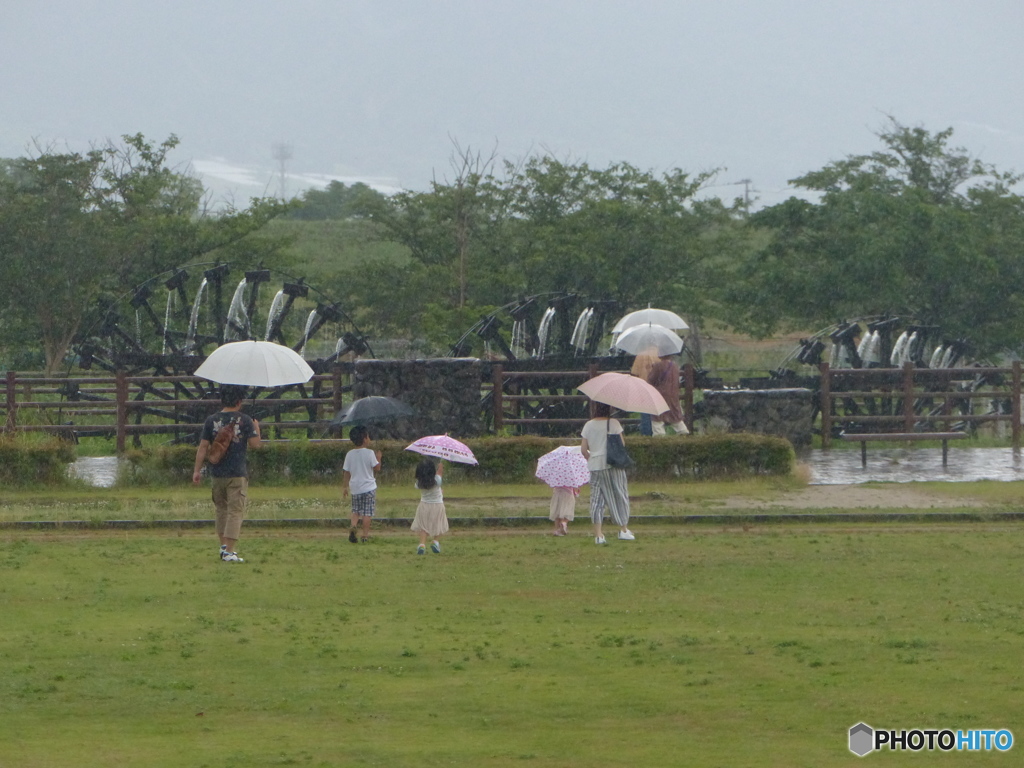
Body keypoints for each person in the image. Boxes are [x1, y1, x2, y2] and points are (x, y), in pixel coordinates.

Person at [192, 385, 261, 563]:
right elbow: (255, 445)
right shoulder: (245, 420)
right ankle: (230, 551)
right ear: (239, 401)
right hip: (237, 473)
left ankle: (223, 547)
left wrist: (197, 470)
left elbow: (203, 448)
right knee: (235, 511)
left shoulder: (211, 420)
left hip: (217, 473)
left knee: (221, 510)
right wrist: (256, 428)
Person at [580, 401, 634, 544]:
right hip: (612, 464)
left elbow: (584, 450)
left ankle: (598, 535)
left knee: (596, 499)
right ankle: (623, 529)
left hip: (595, 465)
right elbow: (622, 445)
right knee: (619, 494)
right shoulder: (614, 423)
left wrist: (592, 458)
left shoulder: (588, 425)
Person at [342, 425, 382, 543]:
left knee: (356, 511)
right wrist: (379, 458)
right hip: (368, 487)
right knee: (367, 513)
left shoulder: (350, 454)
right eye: (368, 436)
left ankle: (353, 526)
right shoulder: (369, 453)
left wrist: (345, 487)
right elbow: (377, 468)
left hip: (355, 487)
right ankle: (364, 536)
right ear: (365, 439)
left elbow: (346, 472)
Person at [411, 458, 448, 554]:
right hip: (438, 505)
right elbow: (439, 475)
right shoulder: (437, 480)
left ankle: (422, 544)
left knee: (424, 526)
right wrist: (440, 467)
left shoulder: (419, 483)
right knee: (439, 523)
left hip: (424, 505)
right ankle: (435, 541)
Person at [647, 354, 690, 436]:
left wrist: (651, 369)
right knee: (675, 417)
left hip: (660, 395)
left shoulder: (658, 366)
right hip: (673, 395)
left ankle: (660, 438)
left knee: (657, 419)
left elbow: (651, 380)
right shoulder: (675, 366)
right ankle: (683, 433)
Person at [631, 349, 660, 436]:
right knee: (656, 415)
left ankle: (646, 436)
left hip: (643, 387)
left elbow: (634, 372)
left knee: (645, 414)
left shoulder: (640, 355)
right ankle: (657, 435)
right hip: (657, 388)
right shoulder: (659, 353)